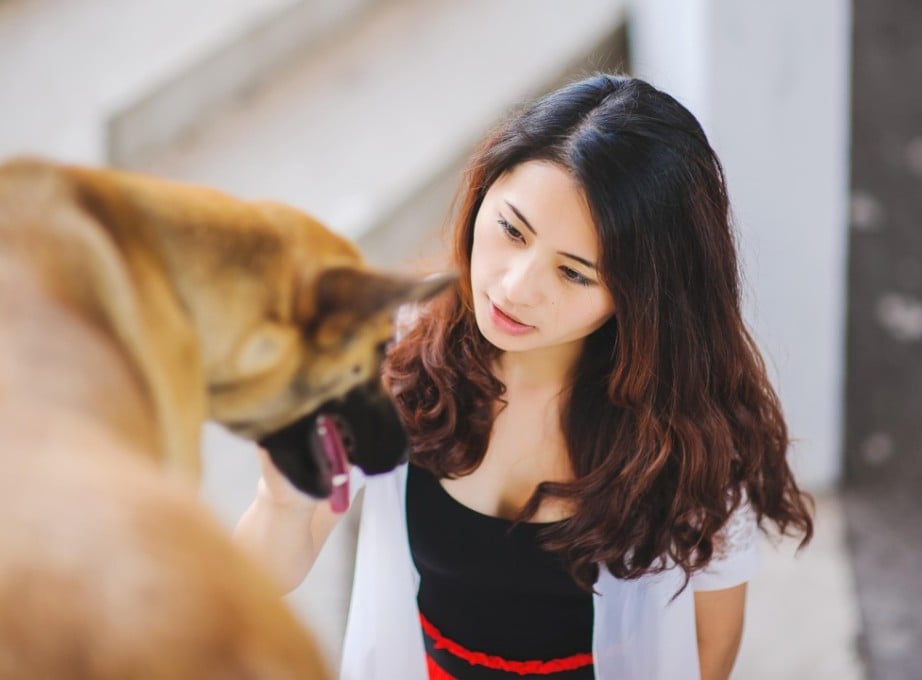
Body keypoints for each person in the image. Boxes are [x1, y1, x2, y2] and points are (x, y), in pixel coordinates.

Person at [235, 73, 814, 680]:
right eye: (512, 231)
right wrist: (279, 501)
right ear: (484, 188)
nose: (515, 288)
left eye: (574, 274)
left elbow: (706, 652)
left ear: (642, 298)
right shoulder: (398, 358)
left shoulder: (685, 435)